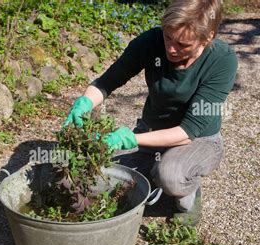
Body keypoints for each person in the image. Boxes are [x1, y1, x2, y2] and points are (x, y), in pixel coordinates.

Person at [63, 0, 238, 226]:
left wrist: (129, 138)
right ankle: (155, 173)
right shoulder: (151, 42)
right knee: (90, 177)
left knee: (170, 175)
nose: (171, 49)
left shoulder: (222, 60)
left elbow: (189, 130)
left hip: (198, 140)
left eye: (183, 44)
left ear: (207, 37)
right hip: (152, 137)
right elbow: (107, 82)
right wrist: (85, 102)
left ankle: (187, 195)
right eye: (168, 38)